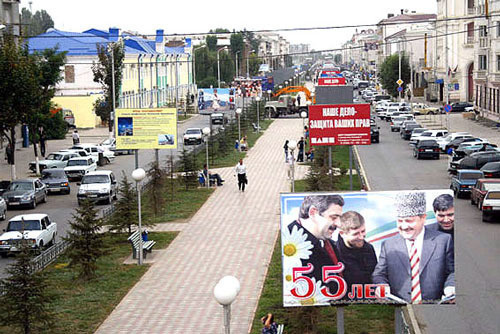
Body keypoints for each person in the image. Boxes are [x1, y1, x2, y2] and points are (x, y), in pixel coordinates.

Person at [372, 192, 455, 303]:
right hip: (401, 306)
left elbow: (452, 271)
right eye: (400, 221)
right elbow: (379, 274)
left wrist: (450, 286)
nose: (404, 226)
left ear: (423, 218)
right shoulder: (388, 245)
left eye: (409, 221)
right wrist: (381, 285)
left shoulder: (443, 240)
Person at [287, 194, 345, 295]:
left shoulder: (328, 243)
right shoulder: (289, 244)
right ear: (313, 213)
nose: (338, 224)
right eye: (334, 217)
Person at [337, 211, 377, 291]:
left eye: (363, 231)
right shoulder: (335, 254)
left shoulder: (369, 249)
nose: (361, 237)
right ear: (342, 233)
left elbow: (375, 276)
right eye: (356, 234)